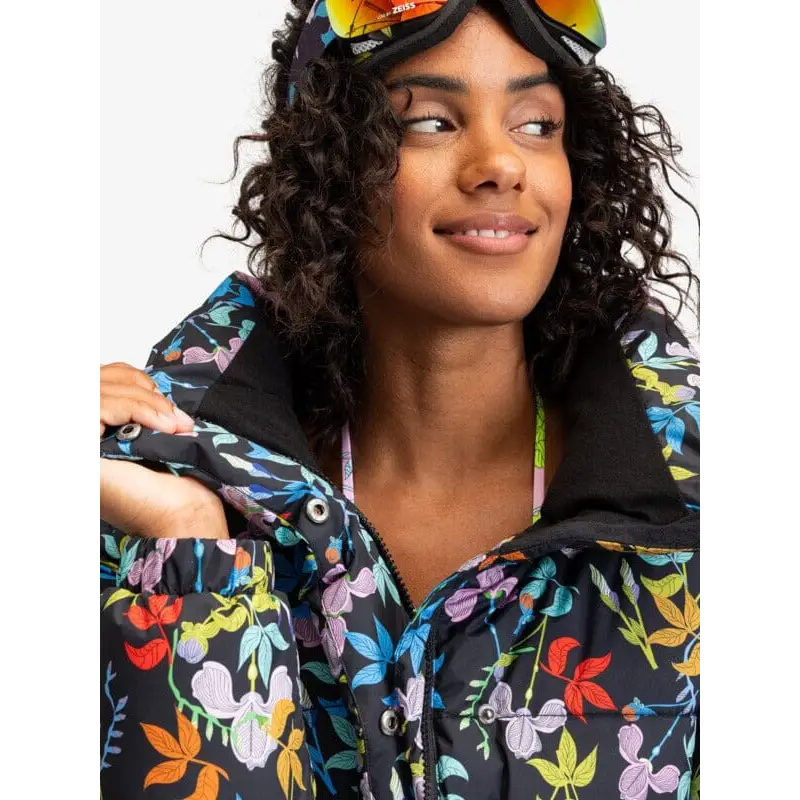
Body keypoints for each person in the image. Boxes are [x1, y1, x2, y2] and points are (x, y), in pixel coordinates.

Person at [96, 2, 703, 798]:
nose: (500, 164)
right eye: (431, 123)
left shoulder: (685, 514)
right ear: (330, 164)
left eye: (536, 125)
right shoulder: (146, 506)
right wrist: (190, 556)